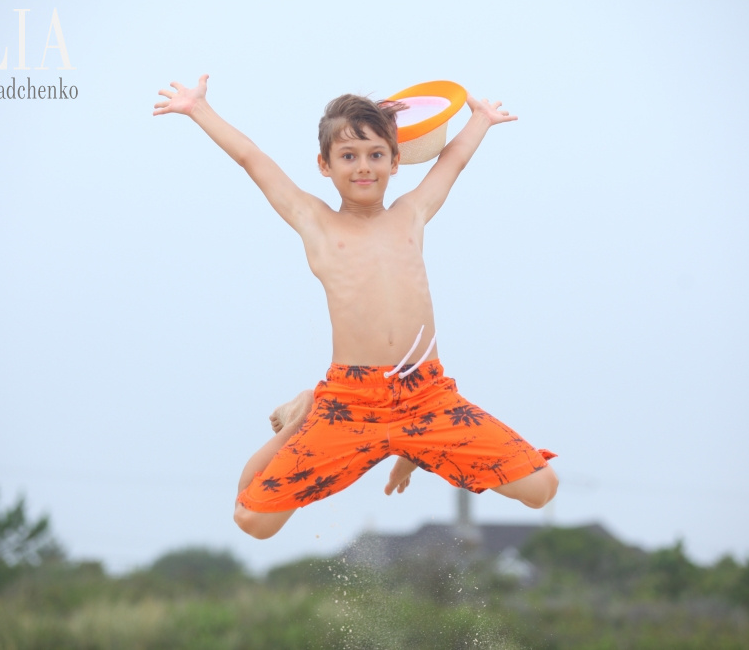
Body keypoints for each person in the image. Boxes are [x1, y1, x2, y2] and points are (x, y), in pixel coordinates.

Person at [154, 74, 557, 540]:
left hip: (426, 397)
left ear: (395, 161)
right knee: (253, 520)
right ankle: (300, 417)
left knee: (541, 488)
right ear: (325, 165)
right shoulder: (316, 222)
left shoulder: (411, 213)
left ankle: (418, 450)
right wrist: (198, 108)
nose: (363, 167)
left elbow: (454, 162)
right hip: (350, 402)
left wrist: (481, 119)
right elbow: (252, 158)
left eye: (375, 155)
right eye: (348, 156)